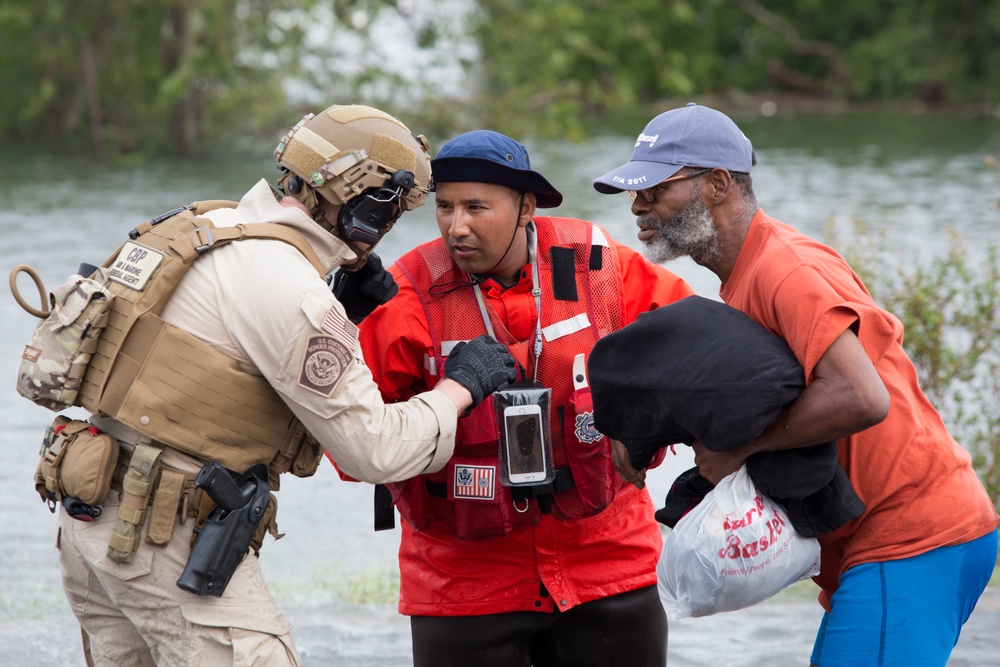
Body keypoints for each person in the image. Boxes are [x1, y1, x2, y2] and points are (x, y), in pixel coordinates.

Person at [14, 104, 516, 666]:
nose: (395, 223)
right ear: (368, 202)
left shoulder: (212, 225)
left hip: (92, 519)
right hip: (159, 536)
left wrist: (343, 315)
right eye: (396, 206)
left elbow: (220, 364)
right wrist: (461, 386)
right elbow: (375, 450)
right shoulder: (290, 287)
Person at [592, 102, 1000, 666]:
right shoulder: (745, 275)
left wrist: (740, 448)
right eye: (633, 192)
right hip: (878, 545)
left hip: (910, 535)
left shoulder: (785, 268)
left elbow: (861, 397)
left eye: (655, 189)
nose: (638, 205)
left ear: (716, 184)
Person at [353, 129, 694, 667]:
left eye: (475, 207)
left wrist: (651, 429)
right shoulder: (405, 295)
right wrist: (447, 399)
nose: (456, 226)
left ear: (526, 207)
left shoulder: (601, 268)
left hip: (608, 564)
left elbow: (700, 355)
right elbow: (352, 448)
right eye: (444, 207)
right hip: (462, 582)